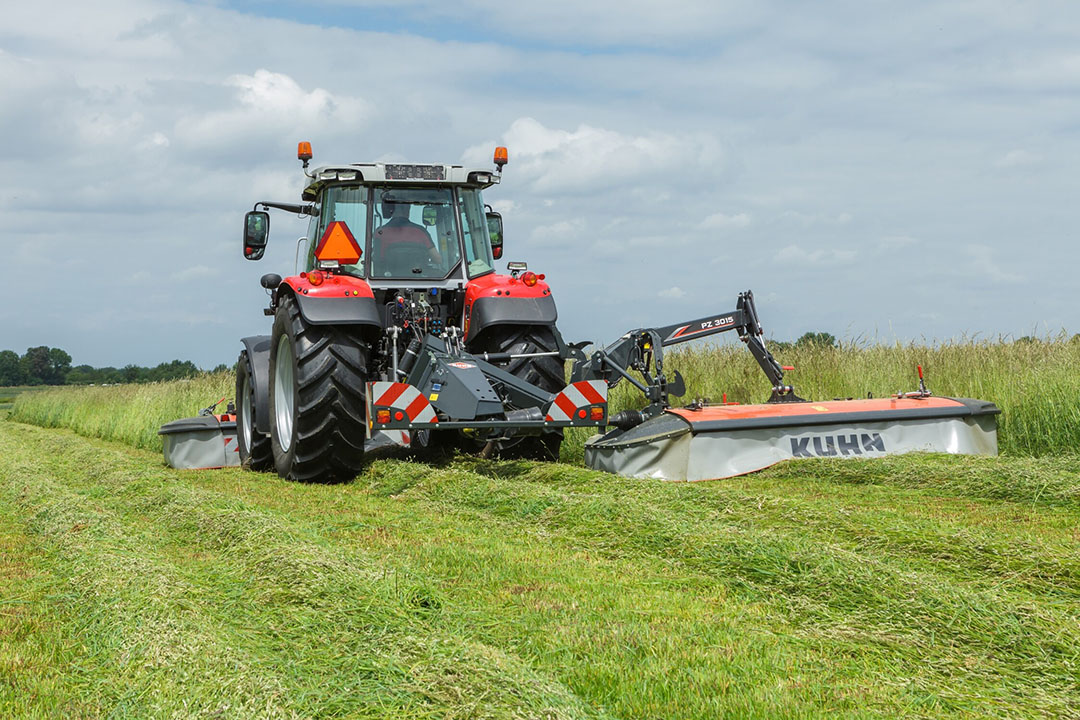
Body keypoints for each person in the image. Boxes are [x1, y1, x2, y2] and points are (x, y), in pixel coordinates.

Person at [374, 199, 441, 275]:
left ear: (391, 210)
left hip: (386, 280)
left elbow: (377, 260)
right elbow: (437, 259)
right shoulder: (420, 231)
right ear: (407, 209)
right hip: (418, 278)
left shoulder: (380, 233)